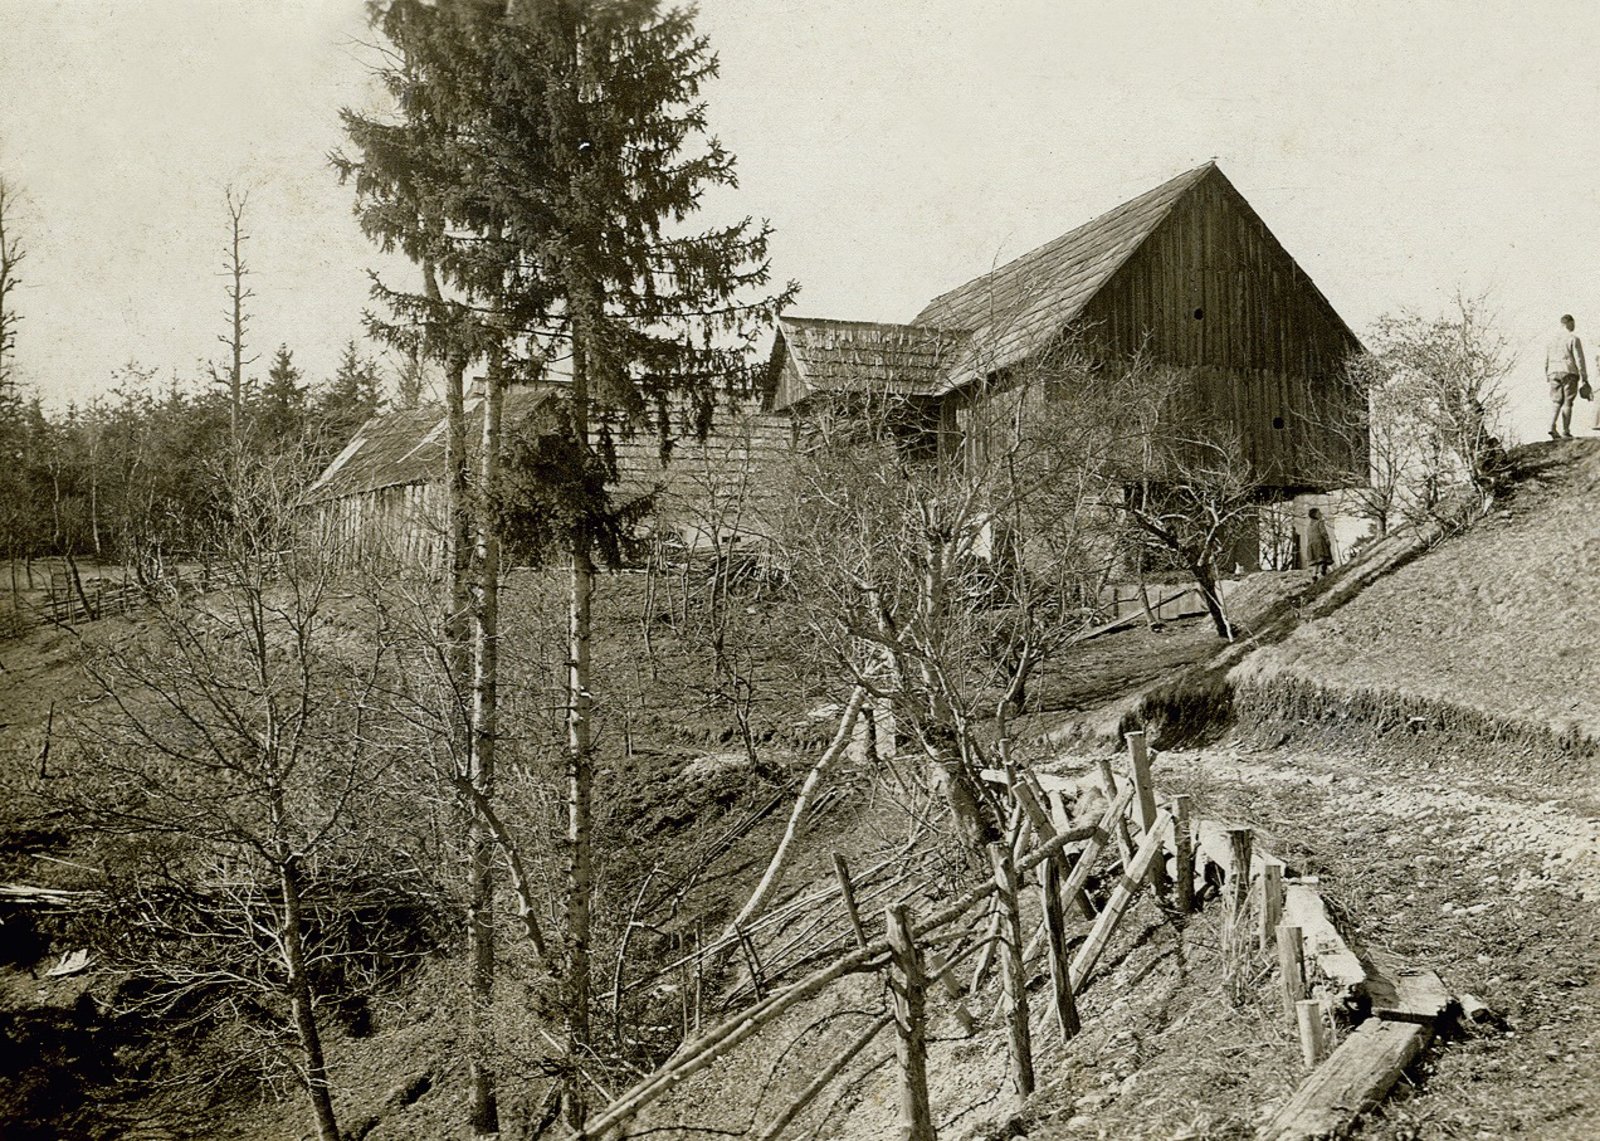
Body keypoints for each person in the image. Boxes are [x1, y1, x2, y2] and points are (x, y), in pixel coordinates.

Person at [1544, 314, 1586, 440]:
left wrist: (1547, 373)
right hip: (1569, 372)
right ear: (1569, 323)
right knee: (1568, 402)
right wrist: (1584, 376)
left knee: (1556, 401)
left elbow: (1546, 359)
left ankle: (1551, 426)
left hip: (1553, 372)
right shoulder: (1573, 338)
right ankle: (1565, 431)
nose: (1574, 326)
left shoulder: (1551, 340)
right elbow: (1579, 359)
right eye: (1573, 323)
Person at [1305, 507, 1333, 579]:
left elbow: (1308, 535)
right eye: (1319, 513)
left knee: (1316, 561)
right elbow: (1323, 532)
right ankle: (1324, 570)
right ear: (1315, 515)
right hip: (1320, 542)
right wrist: (1327, 539)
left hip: (1311, 544)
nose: (1320, 514)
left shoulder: (1309, 526)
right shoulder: (1320, 522)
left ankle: (1314, 575)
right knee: (1324, 557)